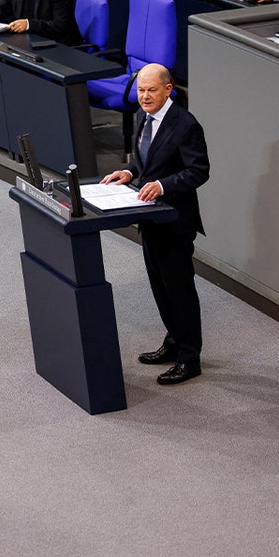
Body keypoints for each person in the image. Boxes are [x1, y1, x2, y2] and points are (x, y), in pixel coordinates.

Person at [100, 63, 209, 386]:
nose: (144, 96)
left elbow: (198, 171)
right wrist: (130, 172)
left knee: (179, 290)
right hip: (150, 220)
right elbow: (145, 160)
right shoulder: (143, 117)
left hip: (174, 221)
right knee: (160, 288)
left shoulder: (186, 125)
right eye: (140, 90)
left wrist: (162, 186)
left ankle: (190, 358)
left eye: (151, 90)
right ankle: (174, 343)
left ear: (168, 89)